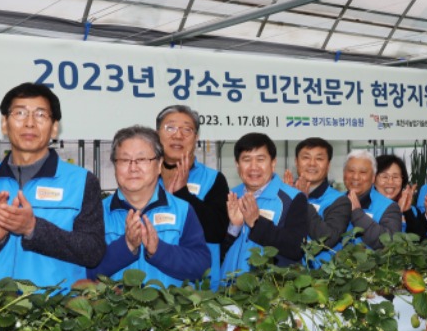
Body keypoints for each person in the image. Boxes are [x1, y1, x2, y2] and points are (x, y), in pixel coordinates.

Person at [0, 82, 105, 290]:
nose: (30, 123)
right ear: (4, 123)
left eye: (41, 115)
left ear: (54, 128)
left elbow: (92, 252)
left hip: (55, 315)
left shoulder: (82, 182)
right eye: (20, 113)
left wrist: (33, 228)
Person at [88, 126, 211, 286]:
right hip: (113, 310)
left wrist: (159, 250)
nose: (133, 168)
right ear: (115, 166)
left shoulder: (182, 210)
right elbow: (85, 271)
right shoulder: (96, 213)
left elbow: (202, 267)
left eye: (142, 159)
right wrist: (126, 246)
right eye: (124, 160)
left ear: (159, 164)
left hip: (173, 309)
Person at [155, 105, 229, 289]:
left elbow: (217, 231)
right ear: (157, 134)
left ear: (196, 138)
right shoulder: (142, 176)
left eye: (187, 129)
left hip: (199, 286)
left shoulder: (213, 179)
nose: (178, 135)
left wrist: (183, 194)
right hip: (152, 281)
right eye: (170, 128)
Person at [221, 133, 308, 281]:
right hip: (228, 292)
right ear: (237, 165)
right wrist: (234, 228)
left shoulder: (292, 198)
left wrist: (256, 222)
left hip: (269, 295)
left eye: (260, 160)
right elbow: (217, 251)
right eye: (246, 160)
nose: (253, 167)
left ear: (273, 163)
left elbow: (296, 248)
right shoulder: (230, 197)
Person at [283, 138, 351, 268]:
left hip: (322, 278)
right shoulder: (282, 195)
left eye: (319, 159)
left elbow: (327, 239)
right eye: (306, 158)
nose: (312, 164)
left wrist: (300, 201)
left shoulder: (339, 201)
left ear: (328, 165)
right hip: (285, 275)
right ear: (296, 162)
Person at [344, 150, 401, 249]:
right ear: (344, 174)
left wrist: (357, 214)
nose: (356, 177)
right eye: (351, 171)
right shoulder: (334, 201)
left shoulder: (389, 207)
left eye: (363, 172)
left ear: (373, 178)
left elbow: (389, 243)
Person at [373, 154, 420, 233]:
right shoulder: (364, 209)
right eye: (384, 177)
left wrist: (407, 213)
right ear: (373, 179)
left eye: (395, 177)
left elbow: (421, 242)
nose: (390, 182)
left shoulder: (412, 211)